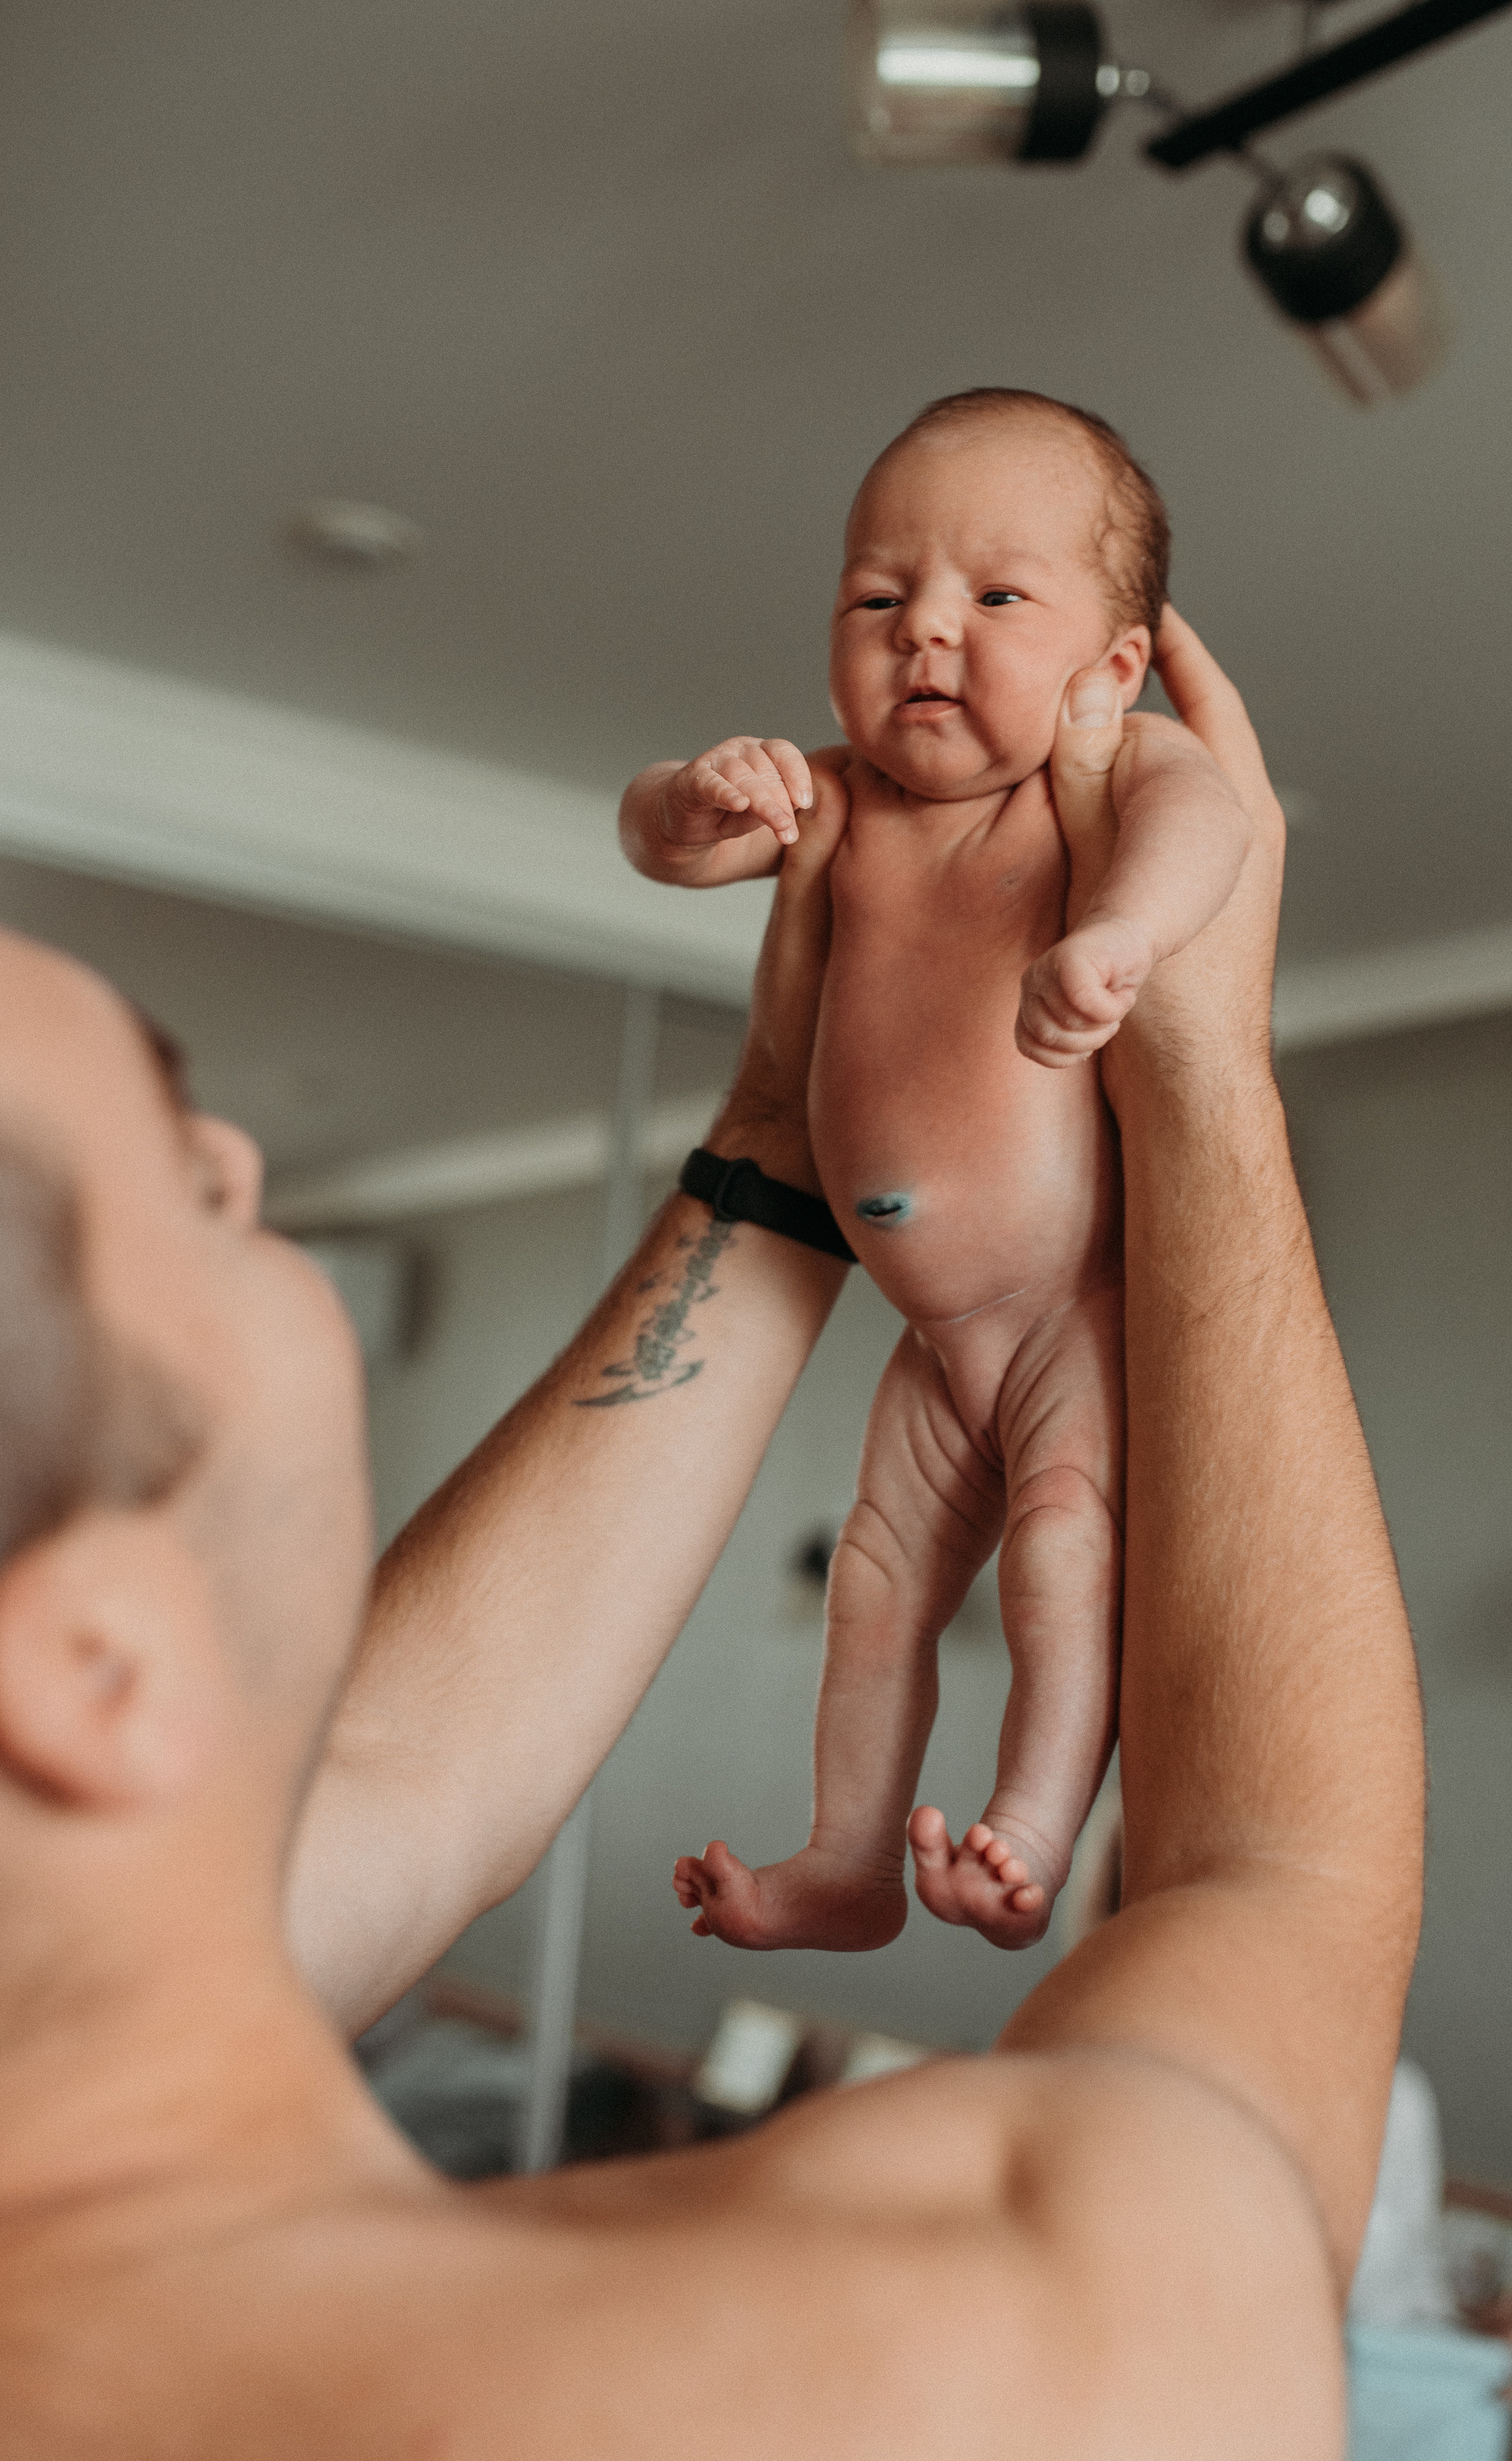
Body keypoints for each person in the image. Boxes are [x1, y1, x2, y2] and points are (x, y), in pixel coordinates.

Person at [0, 615, 1425, 2457]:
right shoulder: (969, 2346)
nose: (241, 1164)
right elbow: (1281, 1894)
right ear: (96, 1662)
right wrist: (1205, 1069)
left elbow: (418, 1759)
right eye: (179, 1168)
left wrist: (785, 1111)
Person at [621, 389, 1251, 1951]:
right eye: (878, 596)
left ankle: (1028, 1828)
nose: (924, 635)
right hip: (927, 1334)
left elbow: (1208, 818)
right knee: (872, 1587)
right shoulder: (839, 797)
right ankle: (847, 1862)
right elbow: (655, 842)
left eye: (993, 597)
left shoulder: (1092, 790)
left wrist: (1118, 934)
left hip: (1063, 1314)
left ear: (1110, 668)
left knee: (1060, 1554)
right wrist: (698, 799)